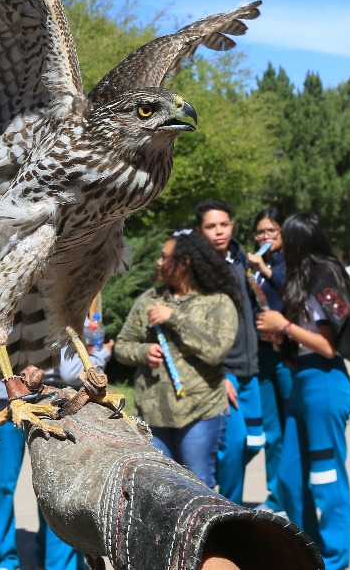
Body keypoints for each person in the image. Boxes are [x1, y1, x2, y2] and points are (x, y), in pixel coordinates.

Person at [256, 211, 350, 570]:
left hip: (325, 382)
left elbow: (330, 346)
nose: (276, 239)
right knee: (289, 478)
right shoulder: (302, 277)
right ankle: (311, 552)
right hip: (303, 379)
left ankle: (335, 561)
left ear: (299, 239)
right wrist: (281, 334)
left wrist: (283, 325)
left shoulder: (325, 274)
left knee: (326, 478)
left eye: (283, 234)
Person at [113, 229, 238, 487]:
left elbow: (217, 352)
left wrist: (175, 319)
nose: (158, 262)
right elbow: (121, 347)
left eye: (164, 257)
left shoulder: (217, 302)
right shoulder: (148, 300)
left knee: (198, 485)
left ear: (185, 262)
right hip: (152, 414)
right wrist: (142, 352)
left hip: (199, 412)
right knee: (161, 488)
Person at [0, 335, 111, 570]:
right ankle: (5, 559)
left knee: (51, 485)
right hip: (5, 399)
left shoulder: (57, 302)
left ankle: (51, 559)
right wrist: (102, 354)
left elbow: (68, 368)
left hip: (50, 401)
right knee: (4, 485)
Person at [194, 198, 265, 503]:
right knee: (234, 445)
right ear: (200, 230)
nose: (219, 232)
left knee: (255, 441)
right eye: (211, 226)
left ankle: (219, 495)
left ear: (232, 226)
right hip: (225, 373)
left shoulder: (240, 260)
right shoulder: (198, 269)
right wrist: (217, 375)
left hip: (252, 371)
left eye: (224, 224)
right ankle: (228, 509)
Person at [245, 207, 289, 517]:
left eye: (271, 231)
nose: (265, 236)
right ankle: (275, 493)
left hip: (287, 353)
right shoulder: (253, 268)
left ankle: (293, 490)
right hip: (261, 354)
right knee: (272, 429)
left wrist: (268, 270)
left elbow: (294, 293)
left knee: (292, 425)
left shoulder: (291, 263)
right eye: (261, 231)